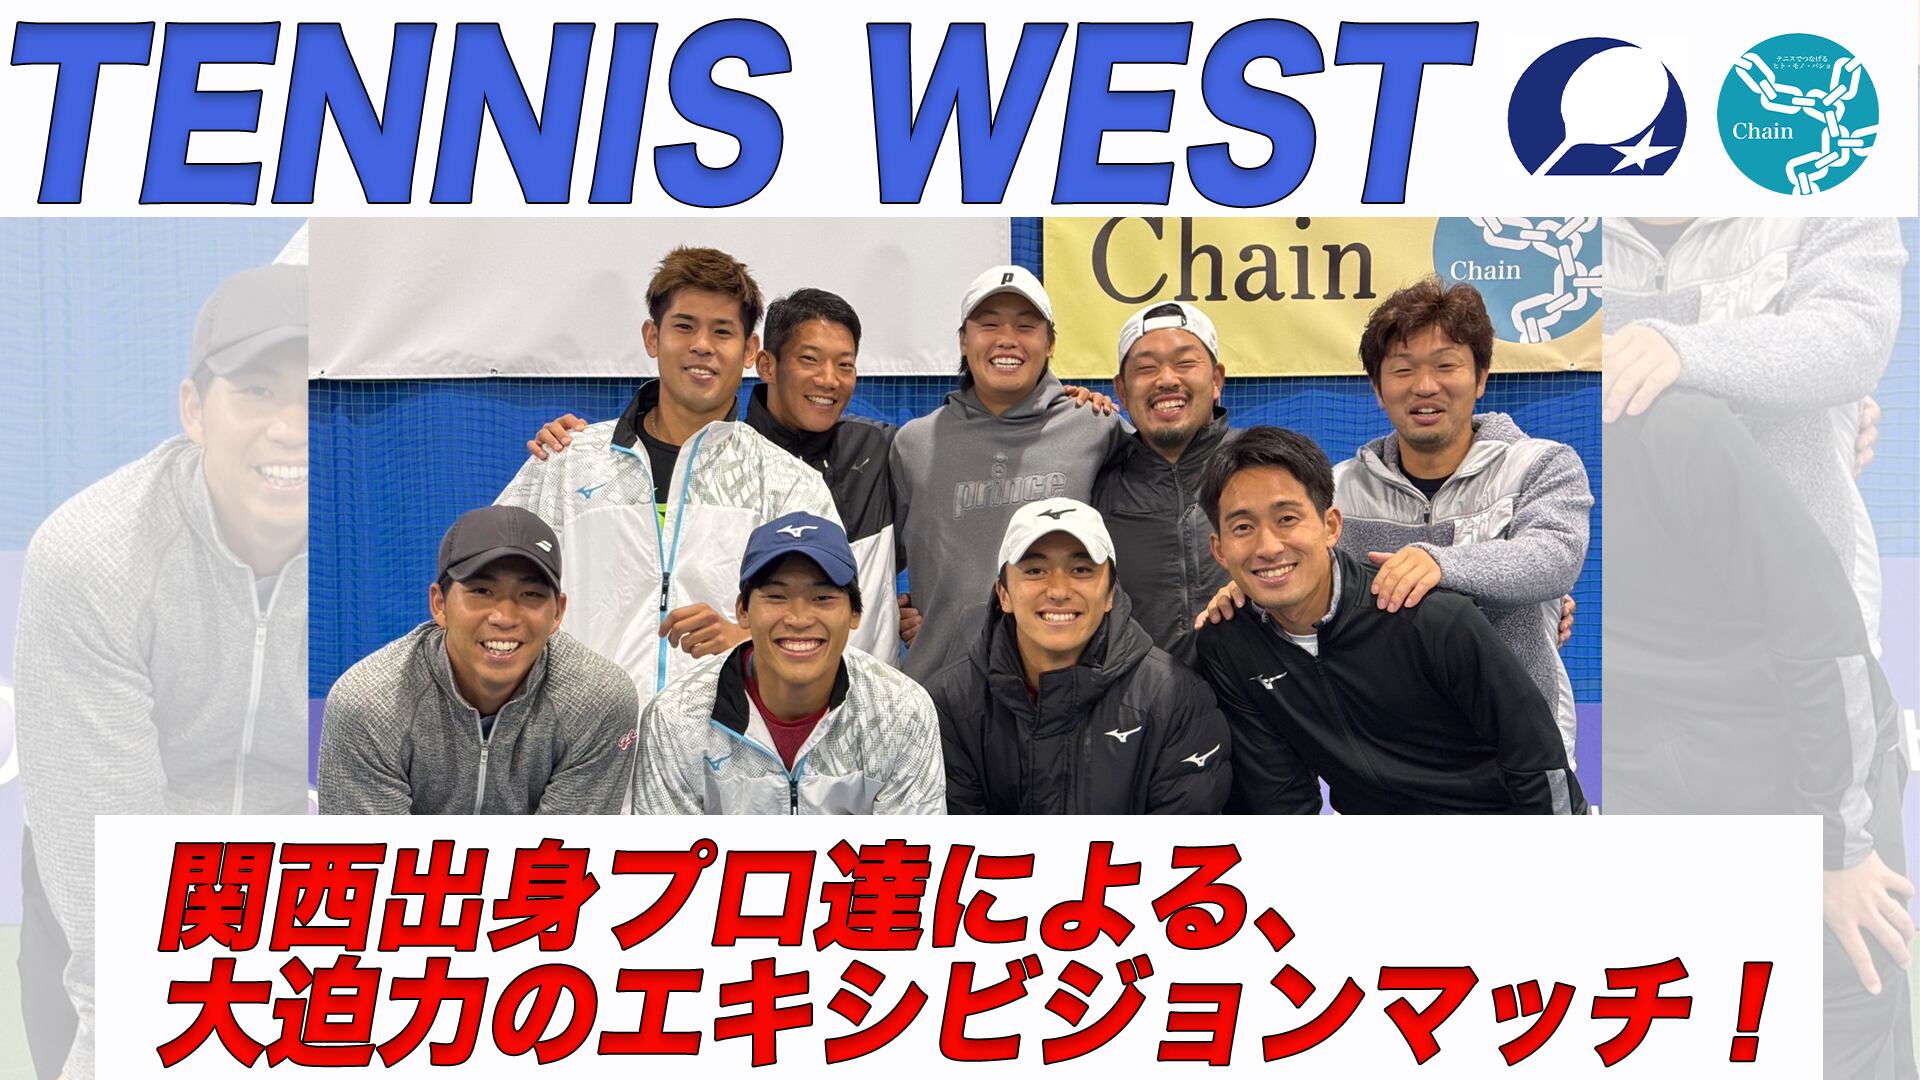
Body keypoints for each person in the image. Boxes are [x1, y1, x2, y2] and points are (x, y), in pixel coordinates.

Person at [14, 264, 310, 1080]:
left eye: (311, 394)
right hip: (111, 885)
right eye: (256, 392)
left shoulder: (382, 553)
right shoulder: (93, 559)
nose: (291, 427)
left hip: (302, 890)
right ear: (194, 411)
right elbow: (112, 914)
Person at [1603, 389, 1910, 1079]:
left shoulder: (1680, 434)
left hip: (1807, 781)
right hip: (1658, 794)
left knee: (1843, 1011)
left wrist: (1839, 848)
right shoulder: (1517, 482)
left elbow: (1828, 645)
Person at [497, 247, 840, 711]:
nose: (702, 345)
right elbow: (496, 591)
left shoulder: (788, 484)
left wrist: (748, 642)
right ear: (652, 337)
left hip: (723, 743)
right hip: (583, 740)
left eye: (722, 331)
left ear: (749, 351)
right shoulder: (567, 463)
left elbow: (828, 623)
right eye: (684, 326)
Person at [1194, 426, 1584, 815]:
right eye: (1243, 528)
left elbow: (1538, 764)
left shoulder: (1431, 620)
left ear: (1331, 527)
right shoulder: (1229, 646)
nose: (1267, 547)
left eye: (1287, 518)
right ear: (1219, 549)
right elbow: (1280, 799)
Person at [526, 288, 902, 658]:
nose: (829, 379)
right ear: (765, 364)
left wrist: (929, 612)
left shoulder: (880, 449)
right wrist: (572, 449)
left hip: (842, 685)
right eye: (809, 359)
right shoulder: (579, 458)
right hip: (670, 692)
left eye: (845, 365)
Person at [1602, 217, 1902, 655]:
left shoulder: (1827, 193)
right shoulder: (1533, 221)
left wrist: (1682, 354)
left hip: (1792, 605)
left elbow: (1853, 334)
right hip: (1622, 609)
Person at [1332, 278, 1590, 764]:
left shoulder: (1542, 464)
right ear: (1378, 390)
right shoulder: (1335, 490)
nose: (1425, 386)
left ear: (1481, 377)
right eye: (1403, 369)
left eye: (1446, 365)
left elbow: (1555, 558)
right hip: (1385, 759)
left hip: (1518, 754)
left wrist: (1440, 565)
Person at [892, 265, 1130, 681]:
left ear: (1050, 343)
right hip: (943, 686)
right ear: (963, 340)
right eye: (988, 325)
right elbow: (872, 561)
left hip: (1068, 684)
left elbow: (1154, 517)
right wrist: (890, 614)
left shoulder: (1095, 425)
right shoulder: (914, 444)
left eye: (1025, 326)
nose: (1007, 339)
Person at [319, 506, 637, 814]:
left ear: (558, 612)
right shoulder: (370, 704)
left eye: (531, 594)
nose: (504, 617)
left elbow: (563, 848)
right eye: (482, 591)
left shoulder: (598, 700)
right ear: (439, 604)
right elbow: (379, 849)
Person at [926, 498, 1231, 814]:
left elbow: (1182, 838)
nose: (1058, 590)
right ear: (1004, 595)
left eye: (1081, 570)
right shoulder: (947, 705)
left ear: (1110, 592)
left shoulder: (1177, 698)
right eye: (1035, 570)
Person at [632, 512, 946, 814]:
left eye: (822, 598)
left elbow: (908, 848)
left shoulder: (901, 712)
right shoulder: (676, 720)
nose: (798, 618)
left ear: (855, 613)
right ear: (742, 611)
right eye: (776, 596)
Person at [1092, 300, 1237, 665]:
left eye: (1185, 363)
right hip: (1136, 696)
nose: (1167, 379)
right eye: (1146, 368)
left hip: (1256, 695)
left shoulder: (1266, 464)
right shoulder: (1094, 479)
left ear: (1216, 380)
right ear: (1121, 391)